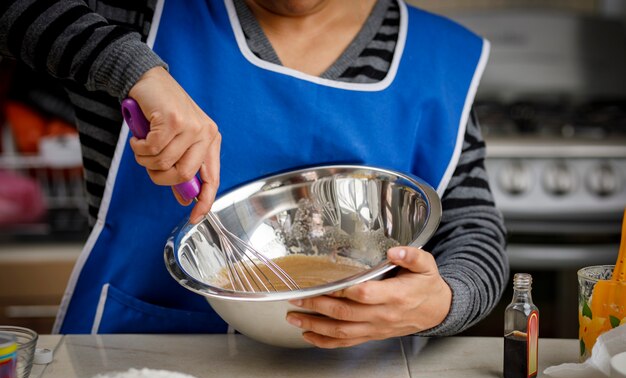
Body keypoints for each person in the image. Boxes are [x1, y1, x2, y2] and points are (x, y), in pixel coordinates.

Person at [0, 0, 508, 348]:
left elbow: (473, 232)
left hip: (357, 376)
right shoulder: (140, 16)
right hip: (139, 360)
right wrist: (132, 69)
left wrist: (445, 300)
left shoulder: (442, 59)